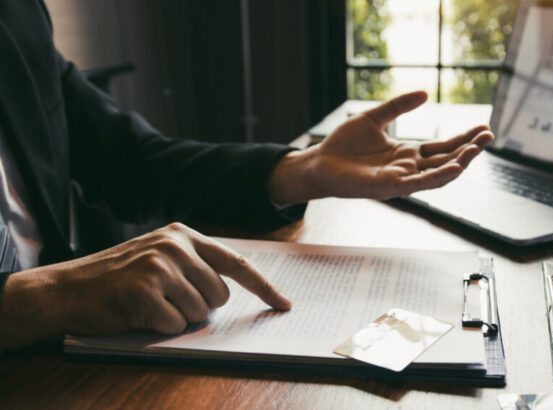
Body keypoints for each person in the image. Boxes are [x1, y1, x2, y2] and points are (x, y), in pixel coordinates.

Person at [0, 1, 493, 349]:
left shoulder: (17, 12)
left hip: (57, 357)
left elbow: (130, 160)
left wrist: (300, 170)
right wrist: (50, 295)